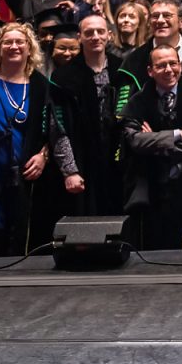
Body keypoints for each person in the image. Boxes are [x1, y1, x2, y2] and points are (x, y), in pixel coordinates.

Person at [0, 22, 79, 256]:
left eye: (20, 42)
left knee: (24, 230)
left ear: (30, 48)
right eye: (8, 42)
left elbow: (56, 131)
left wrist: (44, 156)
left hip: (29, 172)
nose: (14, 46)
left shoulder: (42, 86)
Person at [119, 44, 182, 250]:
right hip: (150, 179)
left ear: (180, 66)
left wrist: (155, 141)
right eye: (161, 65)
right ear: (150, 71)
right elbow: (135, 141)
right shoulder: (137, 102)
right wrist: (176, 134)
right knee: (152, 243)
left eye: (173, 63)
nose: (168, 69)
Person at [49, 14, 125, 216]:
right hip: (81, 162)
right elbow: (58, 128)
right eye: (89, 32)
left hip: (118, 165)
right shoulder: (62, 78)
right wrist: (70, 170)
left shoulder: (124, 70)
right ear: (79, 37)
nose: (95, 36)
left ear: (109, 35)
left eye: (100, 31)